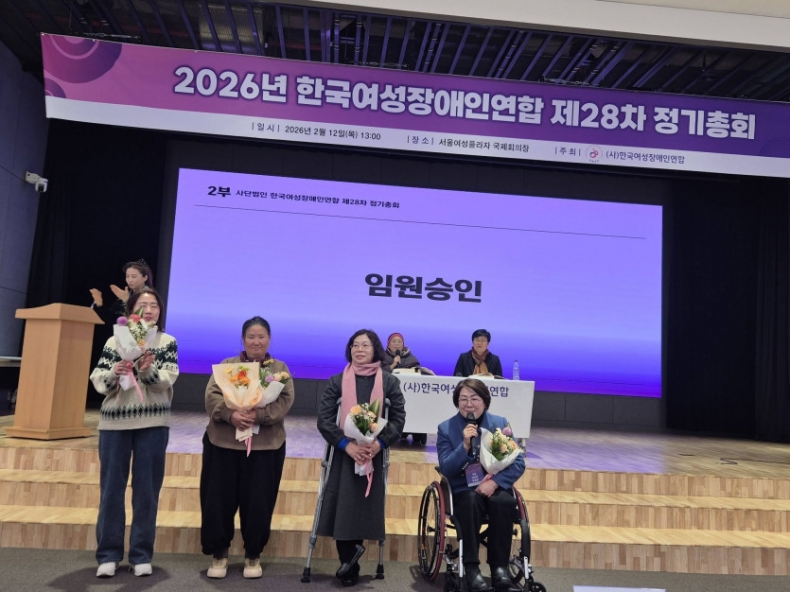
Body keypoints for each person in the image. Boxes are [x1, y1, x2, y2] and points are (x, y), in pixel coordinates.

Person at [89, 287, 179, 578]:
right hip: (115, 424)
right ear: (131, 311)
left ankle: (141, 554)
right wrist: (115, 372)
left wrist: (146, 369)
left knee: (147, 493)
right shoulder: (115, 340)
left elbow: (166, 379)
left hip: (153, 423)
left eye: (154, 305)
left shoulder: (166, 341)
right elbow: (99, 380)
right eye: (143, 305)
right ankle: (108, 555)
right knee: (111, 491)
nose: (149, 310)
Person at [200, 316, 295, 579]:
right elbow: (212, 395)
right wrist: (230, 415)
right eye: (251, 337)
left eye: (261, 336)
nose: (256, 341)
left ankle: (253, 554)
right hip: (223, 445)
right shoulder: (227, 366)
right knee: (218, 500)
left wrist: (259, 416)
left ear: (269, 339)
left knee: (259, 503)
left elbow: (285, 399)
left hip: (265, 448)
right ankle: (219, 553)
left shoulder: (279, 368)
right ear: (243, 339)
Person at [316, 329, 406, 586]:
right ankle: (349, 562)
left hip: (373, 454)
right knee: (343, 503)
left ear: (375, 349)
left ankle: (350, 561)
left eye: (365, 345)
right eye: (355, 345)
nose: (359, 350)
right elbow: (325, 420)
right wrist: (347, 445)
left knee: (364, 503)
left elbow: (398, 419)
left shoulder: (389, 382)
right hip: (345, 453)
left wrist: (379, 444)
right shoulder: (337, 381)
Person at [436, 378, 525, 592]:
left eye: (474, 399)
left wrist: (494, 483)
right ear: (457, 402)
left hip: (494, 487)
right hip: (464, 489)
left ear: (485, 401)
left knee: (504, 502)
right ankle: (471, 568)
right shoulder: (446, 428)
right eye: (463, 399)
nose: (469, 404)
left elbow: (518, 463)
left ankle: (499, 568)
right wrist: (465, 446)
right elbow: (446, 468)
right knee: (470, 502)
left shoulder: (499, 423)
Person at [381, 333, 427, 446]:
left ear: (403, 344)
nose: (397, 344)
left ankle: (417, 433)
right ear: (388, 344)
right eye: (394, 341)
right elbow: (379, 373)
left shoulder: (411, 358)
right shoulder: (381, 357)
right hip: (388, 393)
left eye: (399, 342)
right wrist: (393, 365)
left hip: (411, 395)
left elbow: (417, 372)